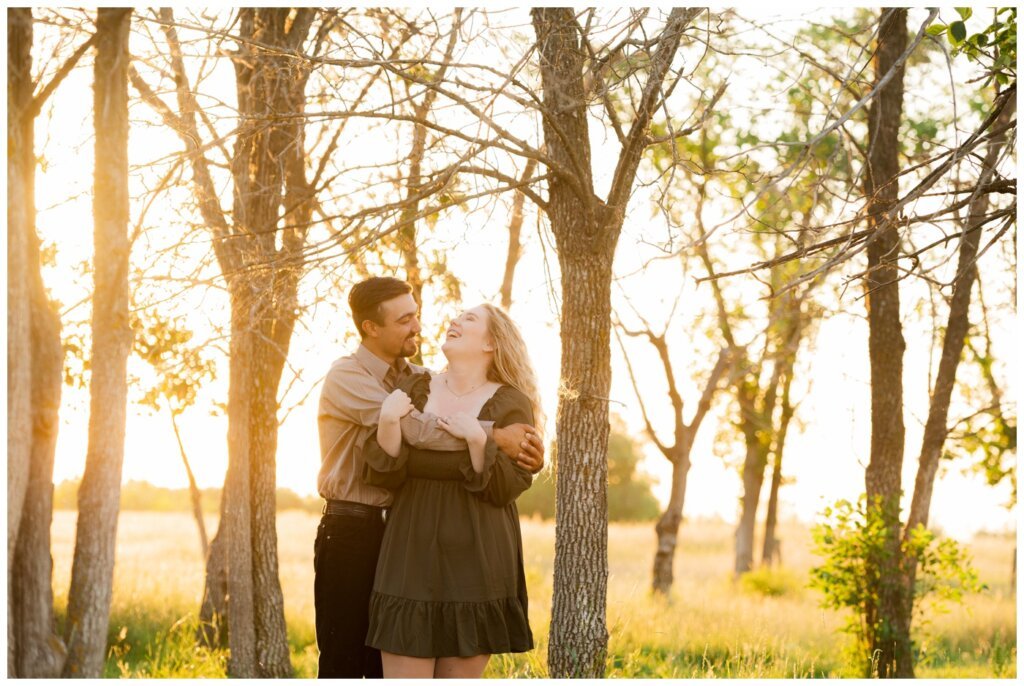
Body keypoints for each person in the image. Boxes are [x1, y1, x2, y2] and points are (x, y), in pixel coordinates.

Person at [315, 278, 545, 679]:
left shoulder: (415, 377)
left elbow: (511, 469)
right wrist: (493, 436)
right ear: (372, 328)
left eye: (416, 315)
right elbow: (414, 431)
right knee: (345, 661)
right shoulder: (347, 376)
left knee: (375, 662)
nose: (418, 326)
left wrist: (516, 448)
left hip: (397, 533)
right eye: (405, 320)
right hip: (352, 525)